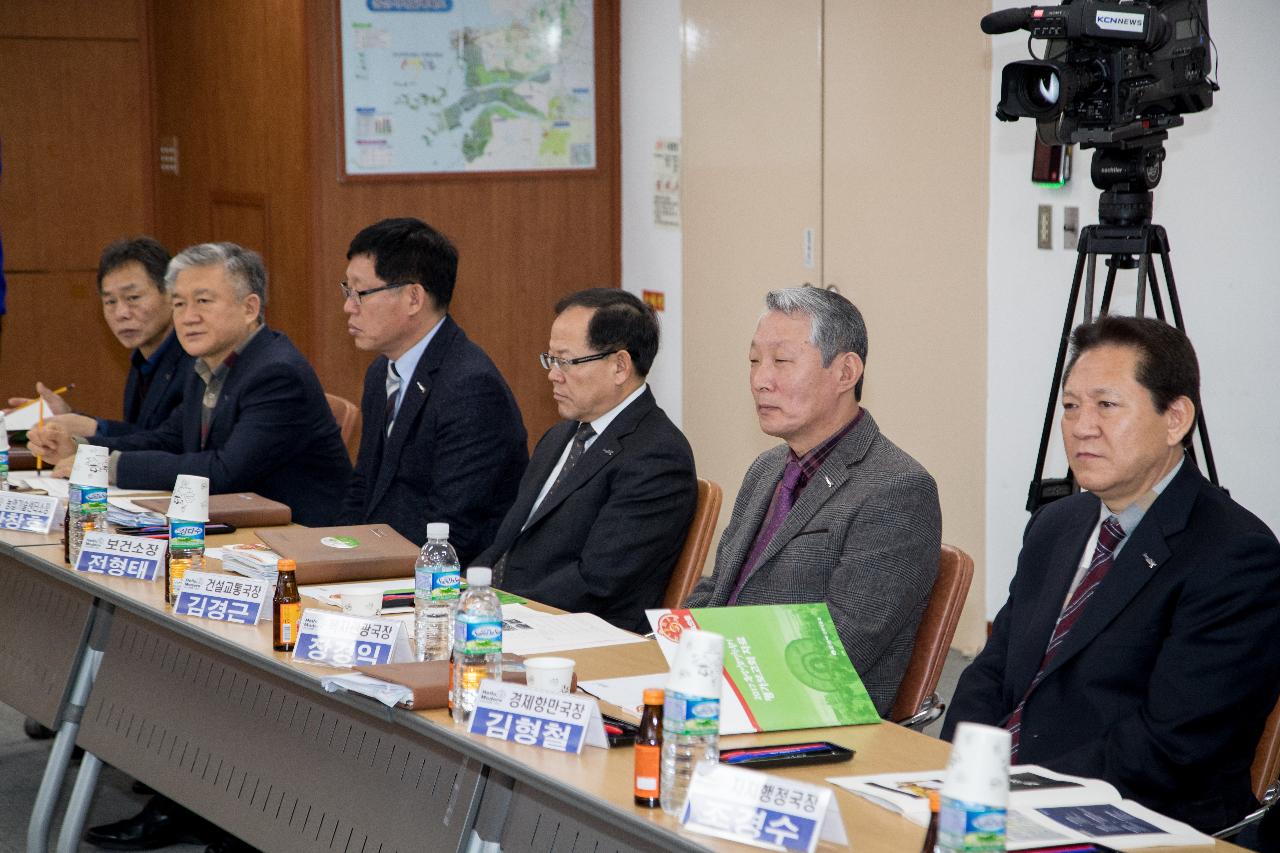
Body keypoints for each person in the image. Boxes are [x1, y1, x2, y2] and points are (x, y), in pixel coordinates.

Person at [942, 315, 1280, 833]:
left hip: (1137, 819)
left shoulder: (1235, 554)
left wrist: (1018, 791)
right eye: (1071, 406)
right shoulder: (1057, 523)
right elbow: (992, 672)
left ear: (1175, 418)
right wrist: (966, 777)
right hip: (1005, 804)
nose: (1082, 427)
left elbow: (1172, 746)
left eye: (1106, 405)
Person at [683, 287, 941, 717]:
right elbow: (719, 590)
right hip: (719, 692)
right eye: (753, 361)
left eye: (781, 361)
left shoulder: (897, 490)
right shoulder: (767, 469)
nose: (760, 379)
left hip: (805, 720)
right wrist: (668, 649)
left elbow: (837, 653)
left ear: (845, 373)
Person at [28, 242, 351, 526]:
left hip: (297, 539)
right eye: (180, 304)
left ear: (250, 308)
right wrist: (82, 448)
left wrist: (110, 465)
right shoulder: (208, 362)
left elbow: (225, 472)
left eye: (203, 302)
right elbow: (169, 440)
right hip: (237, 527)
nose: (188, 317)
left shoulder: (276, 374)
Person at [475, 288, 697, 634]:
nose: (553, 374)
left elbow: (597, 582)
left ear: (620, 366)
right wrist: (462, 595)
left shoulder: (657, 455)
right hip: (512, 618)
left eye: (565, 361)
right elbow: (505, 545)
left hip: (581, 636)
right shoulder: (560, 436)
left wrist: (499, 613)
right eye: (550, 359)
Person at [339, 217, 527, 560]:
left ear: (413, 298)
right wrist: (336, 557)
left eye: (361, 293)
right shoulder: (382, 370)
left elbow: (452, 527)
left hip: (445, 581)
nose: (348, 306)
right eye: (347, 290)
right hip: (381, 562)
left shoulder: (471, 388)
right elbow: (363, 490)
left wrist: (365, 567)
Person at [8, 237, 190, 438]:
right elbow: (141, 440)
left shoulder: (195, 361)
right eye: (110, 301)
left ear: (171, 294)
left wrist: (94, 429)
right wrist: (68, 416)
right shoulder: (142, 360)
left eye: (133, 298)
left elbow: (170, 446)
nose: (121, 313)